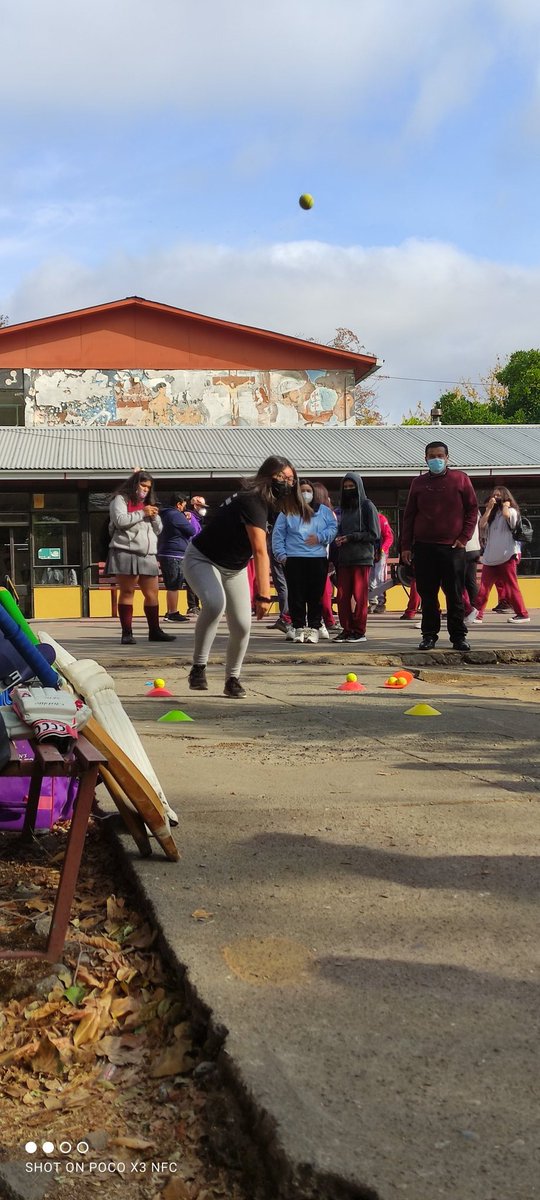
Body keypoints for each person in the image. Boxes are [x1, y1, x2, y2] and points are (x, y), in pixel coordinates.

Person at [182, 457, 306, 698]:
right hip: (201, 559)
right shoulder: (253, 501)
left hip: (234, 568)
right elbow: (260, 550)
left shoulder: (271, 505)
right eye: (282, 478)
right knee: (215, 603)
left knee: (241, 624)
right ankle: (198, 667)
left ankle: (233, 679)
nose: (287, 484)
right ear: (268, 477)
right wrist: (263, 594)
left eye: (291, 479)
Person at [401, 441, 478, 651]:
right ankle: (429, 635)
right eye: (432, 456)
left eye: (440, 456)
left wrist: (464, 537)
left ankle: (458, 637)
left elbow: (472, 510)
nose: (436, 459)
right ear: (425, 459)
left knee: (454, 594)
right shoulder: (418, 483)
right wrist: (406, 546)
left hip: (453, 548)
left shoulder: (460, 479)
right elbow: (409, 516)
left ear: (447, 458)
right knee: (427, 595)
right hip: (424, 548)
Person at [107, 471, 176, 645]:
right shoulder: (120, 500)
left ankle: (155, 630)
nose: (145, 490)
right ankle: (127, 633)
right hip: (125, 550)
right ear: (134, 484)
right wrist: (142, 513)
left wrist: (154, 518)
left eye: (148, 487)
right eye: (142, 485)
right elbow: (120, 521)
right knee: (128, 592)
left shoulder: (148, 503)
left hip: (148, 553)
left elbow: (159, 530)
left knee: (152, 593)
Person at [271, 479, 337, 643]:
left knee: (315, 596)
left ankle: (314, 628)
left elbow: (333, 528)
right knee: (296, 596)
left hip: (317, 558)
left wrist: (321, 537)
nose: (306, 494)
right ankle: (298, 627)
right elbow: (278, 535)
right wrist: (282, 556)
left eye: (308, 490)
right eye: (302, 491)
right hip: (294, 559)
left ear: (313, 493)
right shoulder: (287, 512)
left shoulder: (323, 511)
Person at [466, 486, 530, 625]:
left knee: (511, 587)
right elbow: (481, 524)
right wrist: (489, 509)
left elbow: (509, 518)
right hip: (491, 557)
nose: (496, 498)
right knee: (483, 587)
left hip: (507, 555)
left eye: (499, 496)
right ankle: (477, 614)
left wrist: (506, 506)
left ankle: (522, 614)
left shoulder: (511, 511)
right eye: (494, 496)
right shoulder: (493, 515)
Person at [333, 473, 380, 643]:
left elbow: (374, 534)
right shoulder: (343, 508)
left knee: (360, 597)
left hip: (362, 558)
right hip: (344, 558)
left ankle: (359, 631)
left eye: (351, 486)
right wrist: (338, 538)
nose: (348, 490)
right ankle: (347, 629)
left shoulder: (368, 506)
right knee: (342, 596)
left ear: (358, 486)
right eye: (345, 487)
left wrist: (351, 537)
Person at [157, 492, 195, 622]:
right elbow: (191, 531)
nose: (185, 507)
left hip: (166, 551)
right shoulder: (176, 515)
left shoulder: (165, 514)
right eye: (184, 504)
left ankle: (171, 611)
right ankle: (172, 612)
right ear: (178, 504)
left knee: (172, 584)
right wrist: (187, 520)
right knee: (174, 584)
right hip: (174, 553)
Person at [185, 496, 207, 615]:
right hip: (192, 552)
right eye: (202, 507)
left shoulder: (197, 519)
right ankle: (192, 606)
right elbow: (192, 535)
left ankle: (195, 606)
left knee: (197, 581)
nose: (204, 509)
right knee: (192, 581)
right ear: (195, 506)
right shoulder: (191, 517)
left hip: (197, 553)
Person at [368, 511, 394, 613]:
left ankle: (381, 602)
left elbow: (389, 537)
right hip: (369, 552)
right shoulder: (364, 519)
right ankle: (372, 601)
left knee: (379, 576)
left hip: (381, 552)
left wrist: (382, 550)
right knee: (369, 577)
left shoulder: (381, 519)